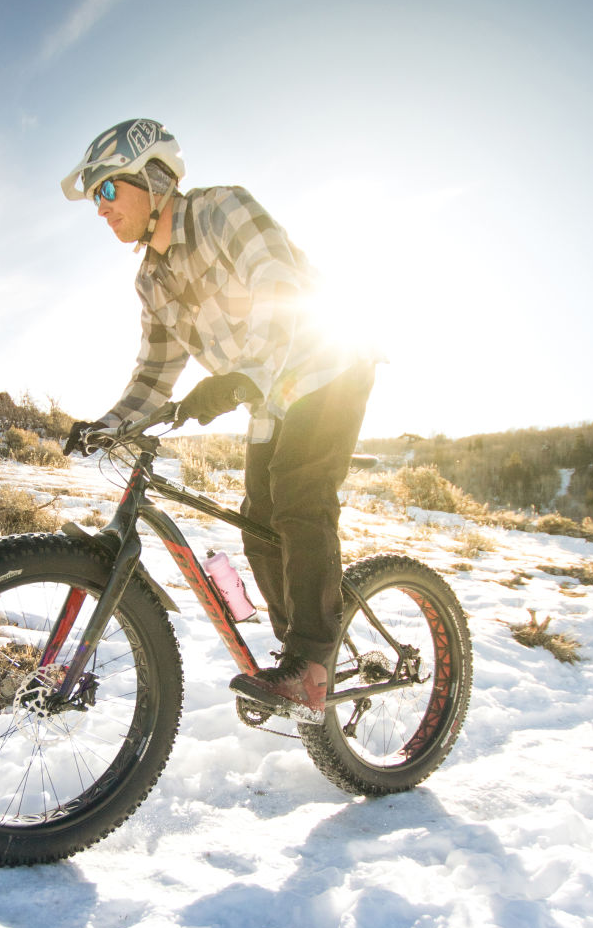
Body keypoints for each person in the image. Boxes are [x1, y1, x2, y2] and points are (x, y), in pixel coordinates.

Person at [60, 118, 376, 722]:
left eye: (107, 190)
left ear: (152, 179)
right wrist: (110, 423)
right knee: (259, 522)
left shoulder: (220, 209)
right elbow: (154, 375)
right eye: (94, 197)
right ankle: (300, 658)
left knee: (298, 495)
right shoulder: (151, 280)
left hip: (327, 364)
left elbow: (278, 282)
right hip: (270, 394)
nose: (100, 209)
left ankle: (310, 667)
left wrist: (242, 372)